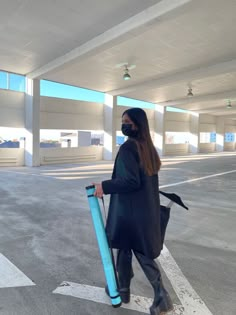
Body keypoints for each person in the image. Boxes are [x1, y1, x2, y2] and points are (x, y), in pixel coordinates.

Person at [94, 107, 173, 315]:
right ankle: (123, 288)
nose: (124, 124)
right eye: (123, 120)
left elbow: (129, 181)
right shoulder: (146, 147)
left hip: (129, 212)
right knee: (125, 246)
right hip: (143, 210)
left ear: (138, 124)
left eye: (128, 121)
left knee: (138, 251)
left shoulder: (129, 147)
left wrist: (105, 186)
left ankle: (162, 296)